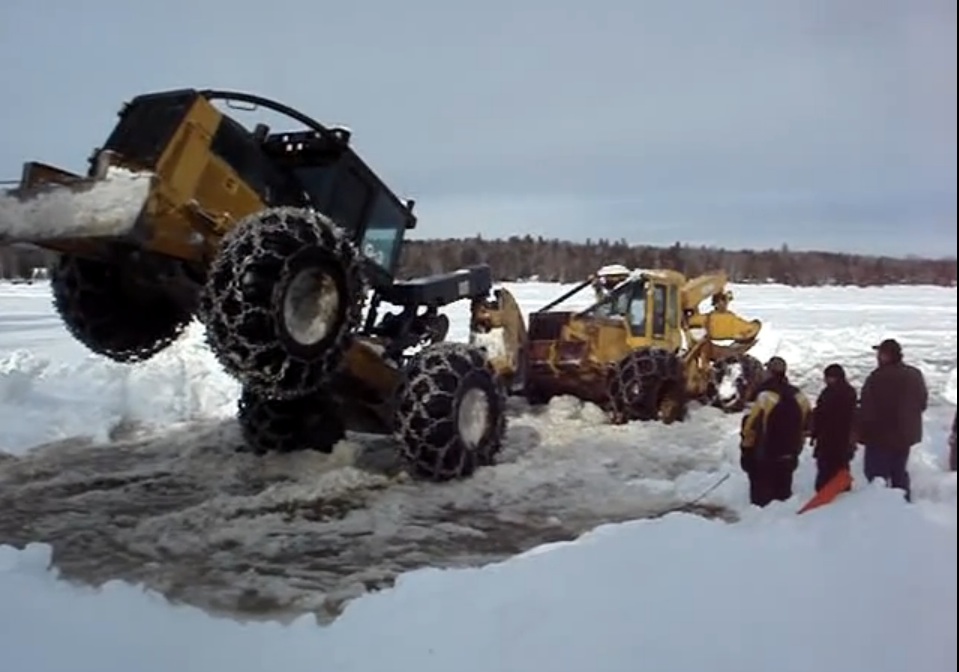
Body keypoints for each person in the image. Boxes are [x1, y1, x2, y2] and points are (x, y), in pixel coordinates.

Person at [857, 338, 928, 502]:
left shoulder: (877, 377)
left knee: (876, 477)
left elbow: (867, 409)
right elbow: (922, 403)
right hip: (904, 437)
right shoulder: (914, 374)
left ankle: (881, 510)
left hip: (880, 437)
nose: (877, 357)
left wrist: (861, 433)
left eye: (879, 354)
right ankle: (903, 505)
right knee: (899, 472)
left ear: (886, 356)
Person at [740, 356, 812, 506]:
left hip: (766, 454)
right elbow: (807, 425)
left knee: (762, 501)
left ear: (770, 372)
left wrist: (746, 449)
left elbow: (750, 426)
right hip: (790, 455)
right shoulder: (799, 396)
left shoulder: (765, 396)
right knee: (783, 499)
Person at [809, 363, 858, 492]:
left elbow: (821, 416)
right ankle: (842, 501)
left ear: (832, 377)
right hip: (844, 442)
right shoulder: (850, 392)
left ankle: (825, 501)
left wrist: (814, 433)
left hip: (829, 441)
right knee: (841, 472)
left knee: (825, 475)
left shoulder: (829, 393)